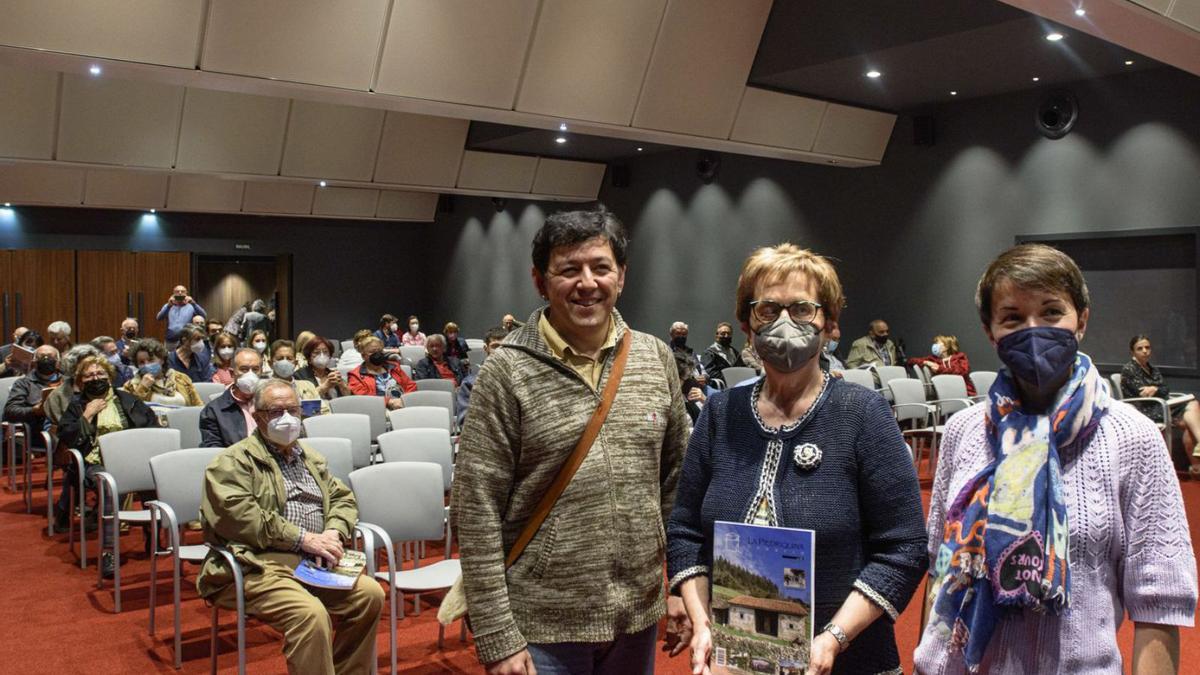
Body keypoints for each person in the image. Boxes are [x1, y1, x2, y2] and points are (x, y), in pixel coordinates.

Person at [916, 243, 1198, 674]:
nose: (1033, 329)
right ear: (990, 332)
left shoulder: (1133, 437)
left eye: (1051, 312)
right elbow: (941, 567)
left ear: (1081, 320)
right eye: (1012, 317)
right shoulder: (964, 431)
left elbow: (1158, 601)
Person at [667, 243, 926, 675]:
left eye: (802, 309)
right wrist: (703, 623)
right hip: (738, 659)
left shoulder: (863, 414)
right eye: (768, 310)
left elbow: (904, 547)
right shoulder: (719, 414)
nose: (785, 323)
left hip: (848, 659)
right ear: (747, 326)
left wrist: (834, 638)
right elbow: (685, 532)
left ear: (830, 323)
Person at [451, 209, 689, 675]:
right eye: (568, 269)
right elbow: (475, 510)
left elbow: (677, 486)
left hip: (637, 617)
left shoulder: (654, 357)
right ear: (540, 282)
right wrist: (497, 634)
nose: (587, 283)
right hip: (541, 625)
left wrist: (680, 584)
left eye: (600, 267)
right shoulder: (508, 371)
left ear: (621, 276)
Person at [197, 379, 384, 673]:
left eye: (293, 410)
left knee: (370, 595)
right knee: (310, 614)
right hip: (255, 562)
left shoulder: (310, 458)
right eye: (275, 412)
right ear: (257, 416)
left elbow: (342, 499)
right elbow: (241, 518)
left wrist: (334, 531)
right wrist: (303, 538)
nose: (286, 419)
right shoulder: (231, 463)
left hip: (310, 561)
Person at [58, 355, 158, 577]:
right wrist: (87, 415)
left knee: (157, 479)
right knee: (110, 486)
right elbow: (66, 438)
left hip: (133, 459)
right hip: (96, 463)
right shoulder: (77, 407)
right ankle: (109, 551)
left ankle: (153, 533)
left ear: (109, 376)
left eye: (100, 374)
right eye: (90, 375)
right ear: (81, 380)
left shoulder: (128, 400)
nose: (96, 378)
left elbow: (152, 426)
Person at [1122, 334, 1200, 474]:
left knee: (1192, 406)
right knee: (1190, 420)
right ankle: (1197, 462)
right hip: (1145, 410)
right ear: (1132, 352)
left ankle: (1197, 464)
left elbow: (1165, 389)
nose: (1145, 351)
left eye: (1147, 347)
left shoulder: (1153, 369)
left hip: (1159, 405)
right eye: (1140, 348)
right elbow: (1142, 394)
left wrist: (1155, 389)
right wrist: (1157, 390)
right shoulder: (1129, 369)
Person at [2, 345, 63, 458]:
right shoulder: (23, 384)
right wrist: (34, 410)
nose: (46, 359)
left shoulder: (67, 381)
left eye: (50, 357)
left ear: (58, 362)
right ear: (34, 362)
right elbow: (10, 411)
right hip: (38, 431)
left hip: (67, 424)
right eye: (42, 357)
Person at [200, 348, 263, 448]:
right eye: (244, 369)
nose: (250, 374)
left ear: (261, 371)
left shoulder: (272, 403)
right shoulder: (214, 411)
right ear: (232, 373)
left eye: (255, 369)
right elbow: (213, 451)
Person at [123, 338, 203, 407]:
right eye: (141, 362)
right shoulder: (131, 386)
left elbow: (199, 406)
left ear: (162, 360)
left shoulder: (182, 379)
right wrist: (142, 387)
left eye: (151, 360)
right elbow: (132, 411)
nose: (146, 365)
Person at [347, 336, 416, 410]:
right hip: (378, 409)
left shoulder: (394, 367)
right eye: (372, 352)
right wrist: (388, 402)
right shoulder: (355, 375)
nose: (377, 354)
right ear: (363, 356)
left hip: (403, 404)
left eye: (379, 351)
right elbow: (364, 397)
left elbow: (410, 385)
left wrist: (404, 399)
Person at [455, 327, 506, 427]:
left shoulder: (518, 380)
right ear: (485, 349)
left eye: (504, 347)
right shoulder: (470, 383)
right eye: (495, 346)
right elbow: (465, 422)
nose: (500, 351)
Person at [267, 340, 328, 415]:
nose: (285, 362)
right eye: (280, 358)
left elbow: (325, 412)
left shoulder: (308, 386)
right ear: (270, 363)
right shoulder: (263, 389)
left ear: (295, 363)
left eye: (289, 358)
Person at [908, 334, 975, 395]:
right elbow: (911, 361)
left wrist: (940, 369)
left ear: (946, 347)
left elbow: (962, 371)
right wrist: (925, 362)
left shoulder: (960, 357)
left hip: (965, 391)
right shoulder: (933, 359)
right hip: (944, 392)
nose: (934, 345)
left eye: (937, 343)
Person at [296, 336, 350, 401]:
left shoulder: (334, 375)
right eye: (316, 352)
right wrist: (325, 386)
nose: (322, 356)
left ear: (330, 356)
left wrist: (342, 385)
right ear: (309, 357)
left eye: (325, 352)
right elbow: (304, 399)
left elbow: (349, 399)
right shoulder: (300, 376)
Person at [700, 322, 745, 387]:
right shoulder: (709, 353)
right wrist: (731, 378)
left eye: (728, 334)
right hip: (721, 386)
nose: (726, 336)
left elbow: (742, 367)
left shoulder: (734, 352)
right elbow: (711, 373)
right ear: (717, 335)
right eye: (723, 334)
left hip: (739, 384)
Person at [673, 351, 705, 425]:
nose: (692, 381)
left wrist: (705, 401)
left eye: (692, 377)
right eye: (688, 378)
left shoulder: (689, 399)